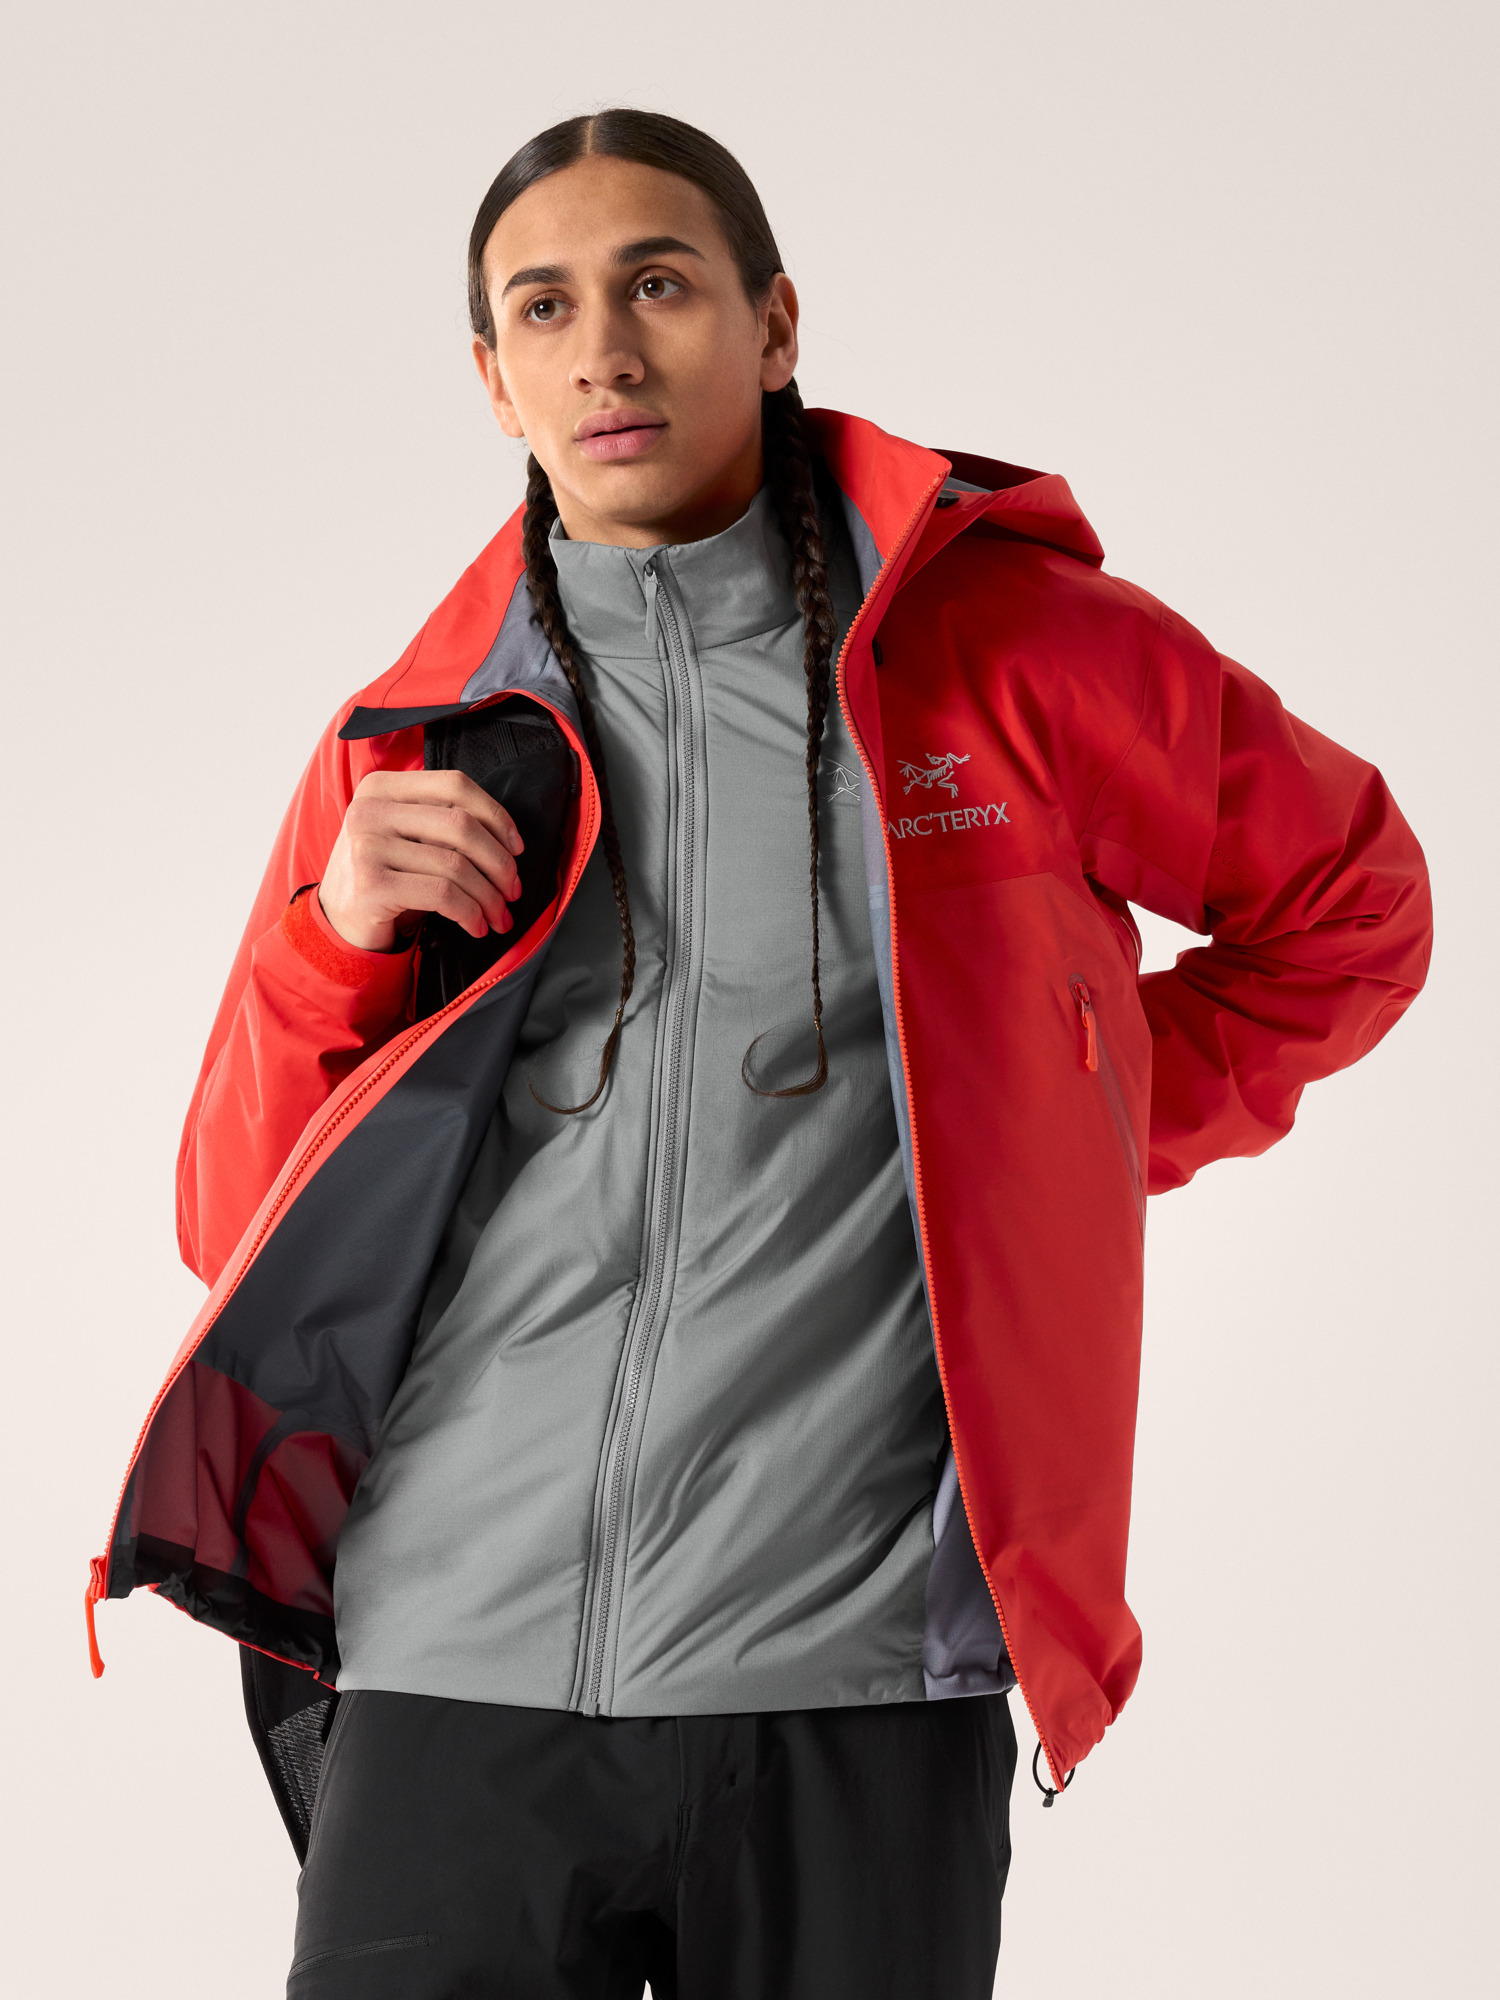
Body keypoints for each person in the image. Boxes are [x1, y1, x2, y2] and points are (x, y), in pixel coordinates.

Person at [86, 109, 1432, 1998]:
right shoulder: (418, 740)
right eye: (543, 308)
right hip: (458, 1662)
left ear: (775, 322)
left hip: (855, 1676)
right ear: (491, 379)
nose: (603, 352)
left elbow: (1353, 910)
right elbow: (234, 1219)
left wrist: (1038, 1135)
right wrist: (335, 942)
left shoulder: (1019, 660)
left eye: (658, 285)